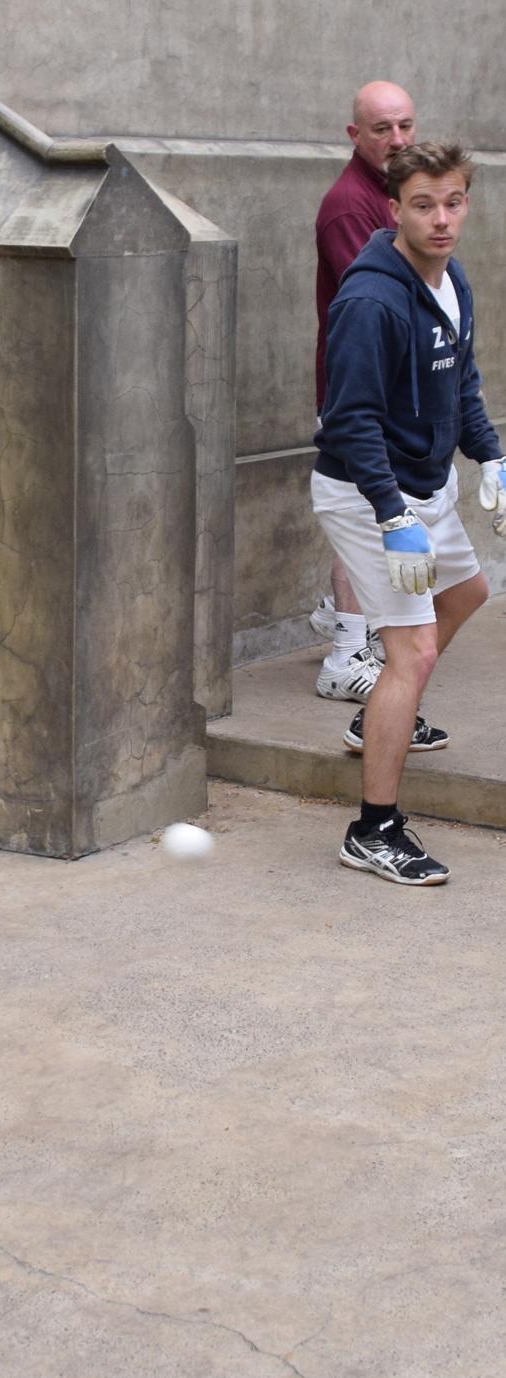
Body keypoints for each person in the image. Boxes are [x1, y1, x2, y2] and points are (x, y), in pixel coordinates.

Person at [314, 141, 504, 885]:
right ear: (392, 209)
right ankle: (372, 829)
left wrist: (490, 456)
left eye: (452, 201)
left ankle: (376, 723)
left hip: (420, 487)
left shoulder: (449, 277)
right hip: (367, 494)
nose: (440, 218)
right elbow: (348, 419)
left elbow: (461, 381)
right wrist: (392, 516)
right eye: (422, 204)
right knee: (411, 651)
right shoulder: (368, 300)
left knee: (465, 592)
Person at [310, 80, 417, 702]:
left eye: (406, 125)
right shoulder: (351, 206)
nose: (398, 140)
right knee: (362, 512)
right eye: (383, 129)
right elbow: (377, 310)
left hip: (389, 395)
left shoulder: (398, 194)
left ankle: (341, 611)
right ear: (356, 136)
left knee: (376, 514)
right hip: (359, 397)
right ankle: (345, 652)